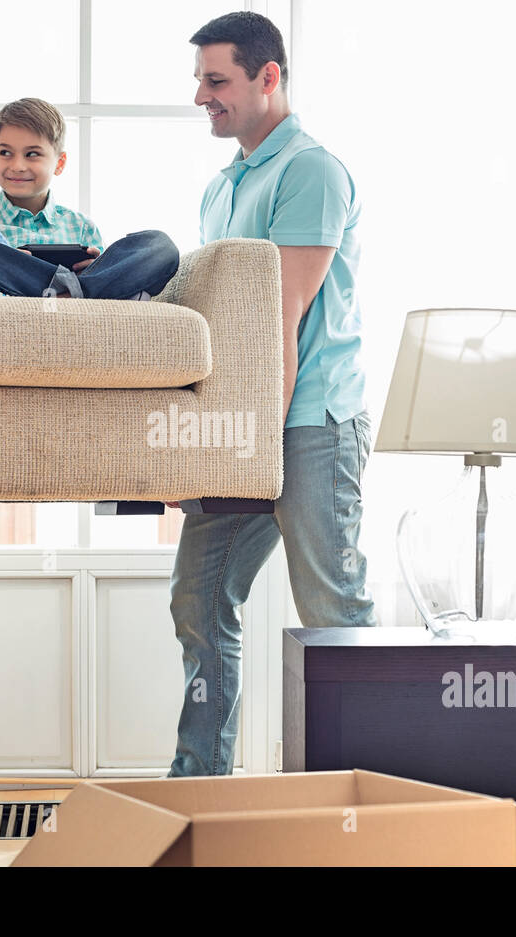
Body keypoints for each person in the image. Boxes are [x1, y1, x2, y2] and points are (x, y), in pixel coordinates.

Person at [167, 12, 379, 777]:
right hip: (242, 431)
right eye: (199, 80)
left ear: (269, 77)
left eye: (216, 80)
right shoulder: (224, 187)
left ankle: (360, 794)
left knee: (335, 616)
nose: (202, 97)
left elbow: (282, 313)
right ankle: (200, 786)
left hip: (310, 423)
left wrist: (254, 440)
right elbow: (220, 324)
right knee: (198, 603)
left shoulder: (311, 171)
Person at [0, 97, 179, 303]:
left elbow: (107, 273)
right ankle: (57, 293)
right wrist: (12, 265)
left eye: (32, 154)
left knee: (159, 246)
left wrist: (95, 266)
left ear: (59, 163)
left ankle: (65, 294)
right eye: (5, 153)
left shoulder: (81, 225)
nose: (17, 166)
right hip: (10, 298)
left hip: (68, 304)